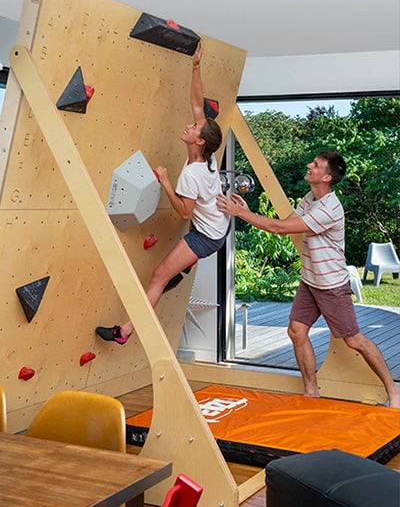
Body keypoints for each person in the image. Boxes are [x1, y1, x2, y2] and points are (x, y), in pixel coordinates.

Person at [216, 150, 400, 409]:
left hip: (331, 285)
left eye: (315, 165)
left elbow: (279, 229)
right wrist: (247, 210)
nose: (308, 166)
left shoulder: (329, 208)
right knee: (296, 331)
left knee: (354, 339)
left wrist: (239, 213)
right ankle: (311, 392)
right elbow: (282, 225)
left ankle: (394, 390)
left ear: (326, 177)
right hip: (310, 281)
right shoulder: (311, 198)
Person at [96, 40, 230, 345]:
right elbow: (198, 104)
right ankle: (181, 268)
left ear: (199, 142)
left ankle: (125, 332)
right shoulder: (205, 156)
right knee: (165, 275)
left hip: (206, 236)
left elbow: (185, 212)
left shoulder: (193, 173)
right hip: (216, 227)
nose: (189, 125)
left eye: (194, 129)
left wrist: (166, 183)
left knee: (158, 277)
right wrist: (196, 67)